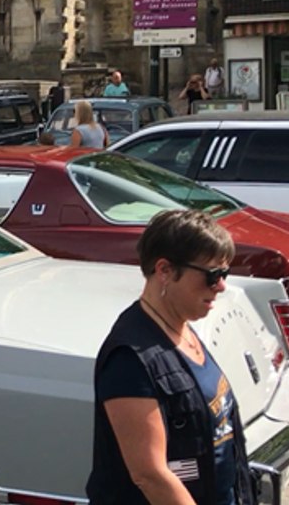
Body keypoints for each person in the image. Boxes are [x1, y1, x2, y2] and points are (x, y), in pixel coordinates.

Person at [87, 209, 251, 505]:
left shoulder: (182, 328)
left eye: (224, 274)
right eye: (212, 275)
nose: (221, 286)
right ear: (164, 270)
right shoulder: (130, 358)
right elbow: (150, 475)